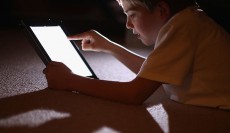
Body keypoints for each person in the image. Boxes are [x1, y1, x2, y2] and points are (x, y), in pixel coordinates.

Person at [43, 0, 230, 109]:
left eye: (132, 15)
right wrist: (111, 47)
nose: (127, 25)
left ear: (162, 11)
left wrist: (69, 81)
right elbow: (153, 74)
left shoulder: (182, 26)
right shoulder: (188, 20)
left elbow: (134, 93)